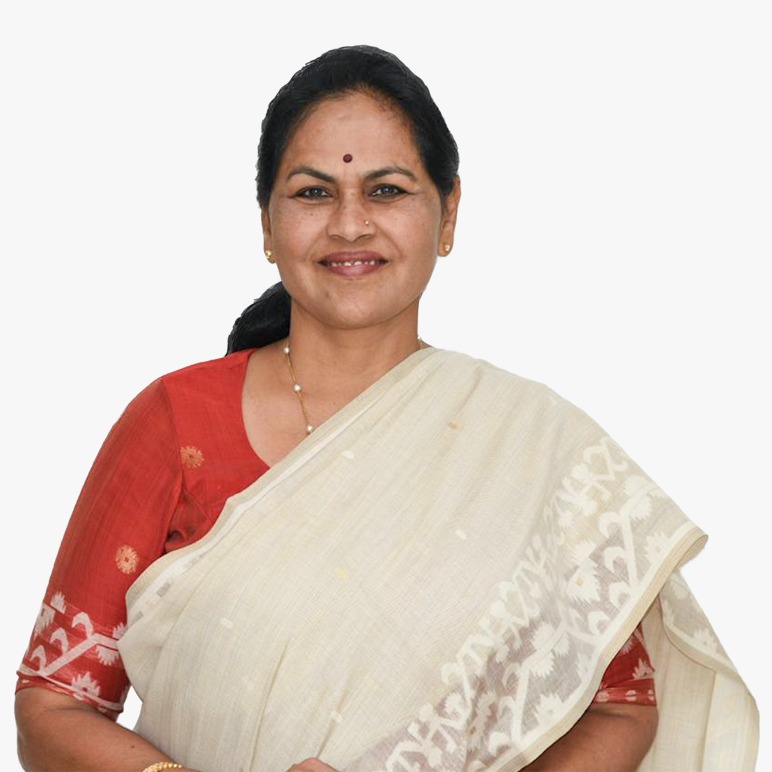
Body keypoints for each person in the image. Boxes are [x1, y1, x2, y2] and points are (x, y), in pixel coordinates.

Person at [14, 44, 758, 772]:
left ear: (448, 213)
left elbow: (621, 703)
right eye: (313, 193)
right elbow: (52, 705)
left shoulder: (528, 446)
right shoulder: (176, 423)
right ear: (267, 224)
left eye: (387, 191)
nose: (349, 224)